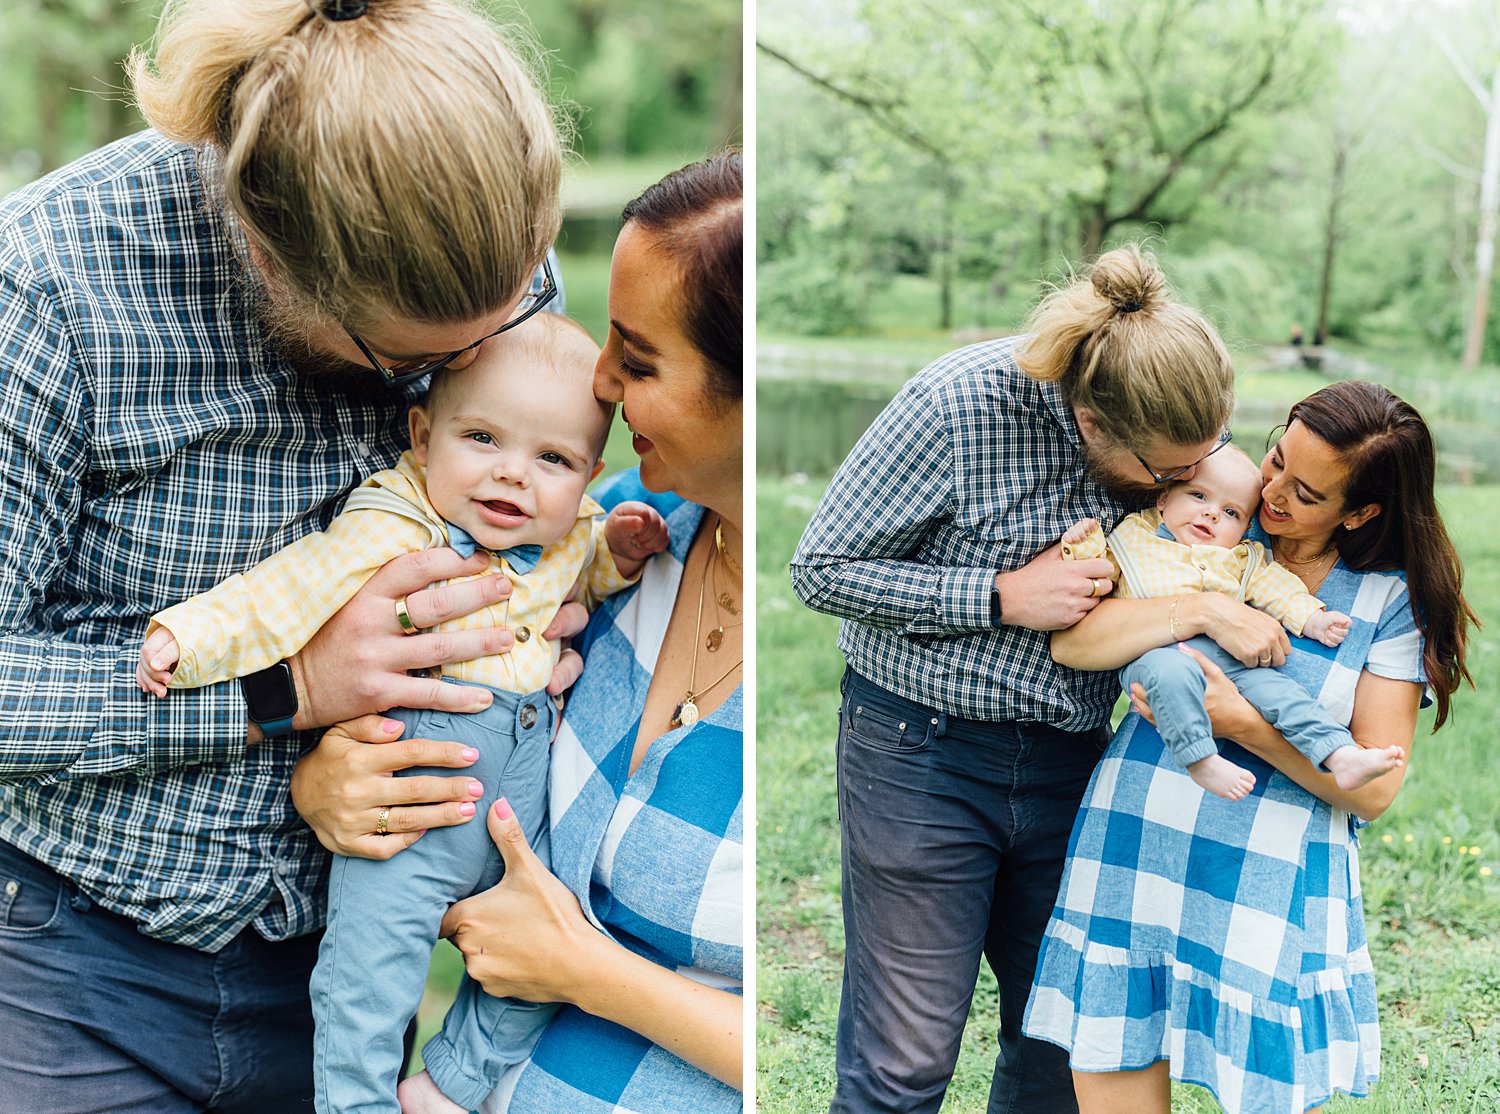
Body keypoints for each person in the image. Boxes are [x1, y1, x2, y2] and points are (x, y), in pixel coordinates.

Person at [0, 1, 571, 1108]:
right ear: (268, 254)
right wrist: (287, 691)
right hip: (77, 965)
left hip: (351, 967)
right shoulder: (47, 290)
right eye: (417, 361)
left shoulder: (478, 254)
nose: (454, 378)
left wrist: (541, 613)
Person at [293, 151, 745, 1114]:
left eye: (639, 356)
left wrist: (591, 973)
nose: (605, 387)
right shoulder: (608, 538)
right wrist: (330, 772)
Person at [133, 313, 669, 1113]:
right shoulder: (397, 524)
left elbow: (582, 578)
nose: (513, 476)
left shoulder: (568, 533)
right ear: (423, 436)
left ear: (590, 475)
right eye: (482, 438)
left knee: (554, 955)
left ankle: (448, 1085)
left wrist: (616, 556)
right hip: (408, 802)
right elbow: (292, 587)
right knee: (367, 984)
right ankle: (358, 1104)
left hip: (522, 803)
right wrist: (194, 635)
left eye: (551, 458)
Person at [789, 245, 1244, 1113]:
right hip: (920, 751)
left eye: (1206, 456)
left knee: (1060, 1049)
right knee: (905, 1063)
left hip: (1075, 759)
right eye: (1168, 476)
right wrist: (1004, 596)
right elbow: (821, 568)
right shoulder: (955, 407)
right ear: (1089, 420)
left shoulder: (1178, 429)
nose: (1189, 488)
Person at [1025, 380, 1476, 1114]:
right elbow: (1078, 640)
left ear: (1360, 512)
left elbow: (1374, 790)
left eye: (1307, 493)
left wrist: (1237, 723)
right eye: (1276, 461)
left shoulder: (1386, 603)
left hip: (1267, 875)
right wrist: (1199, 608)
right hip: (1138, 841)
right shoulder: (1210, 524)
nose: (1272, 495)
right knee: (1114, 1074)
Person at [1059, 445, 1404, 800]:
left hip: (1231, 661)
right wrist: (1083, 546)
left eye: (1230, 512)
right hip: (1154, 655)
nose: (1210, 514)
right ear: (1163, 498)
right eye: (1197, 496)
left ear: (1244, 528)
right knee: (1170, 678)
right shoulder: (1136, 537)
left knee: (1284, 694)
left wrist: (1312, 619)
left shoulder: (1239, 556)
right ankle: (1200, 758)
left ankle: (1339, 755)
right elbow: (1099, 573)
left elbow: (1276, 587)